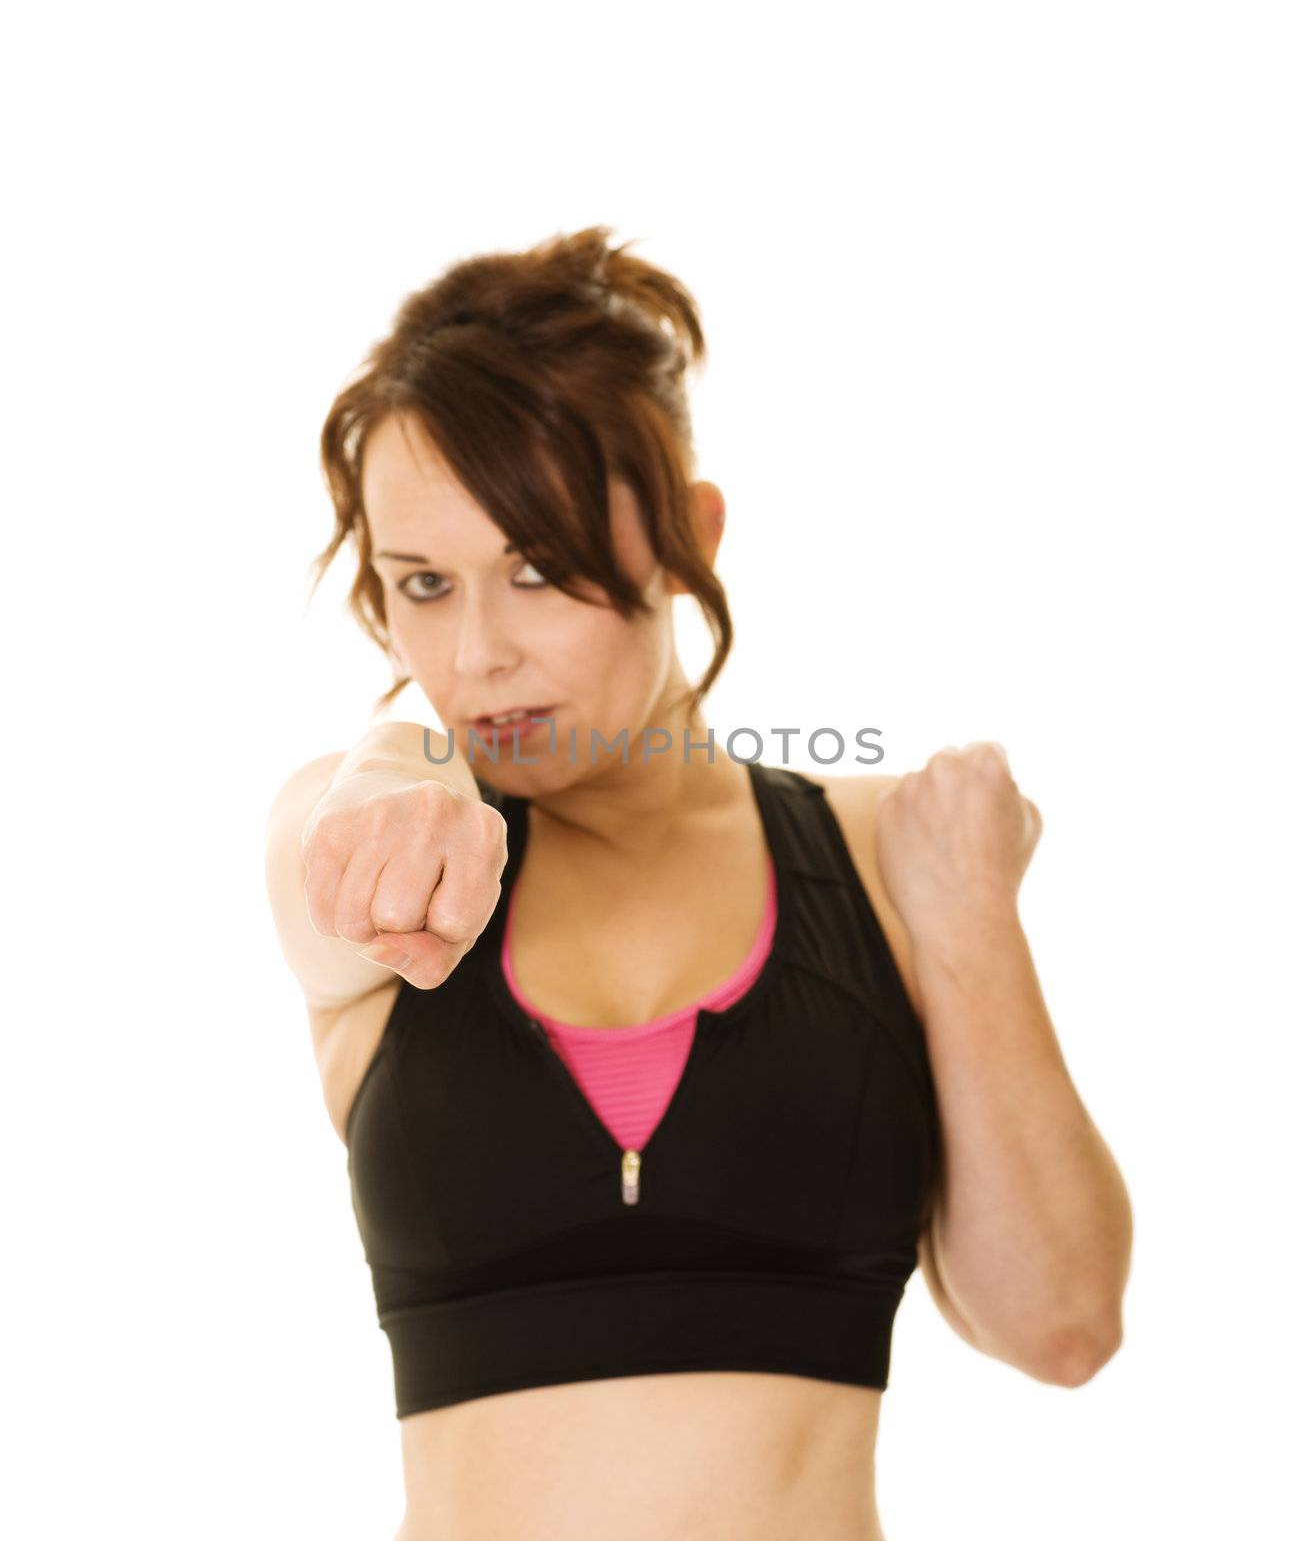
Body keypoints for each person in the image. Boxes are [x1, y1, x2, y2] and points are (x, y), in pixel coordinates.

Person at [264, 225, 1132, 1541]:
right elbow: (338, 831)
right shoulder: (382, 853)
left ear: (685, 536)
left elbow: (1062, 1325)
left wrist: (965, 921)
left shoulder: (884, 857)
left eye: (542, 569)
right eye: (424, 585)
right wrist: (404, 754)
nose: (481, 655)